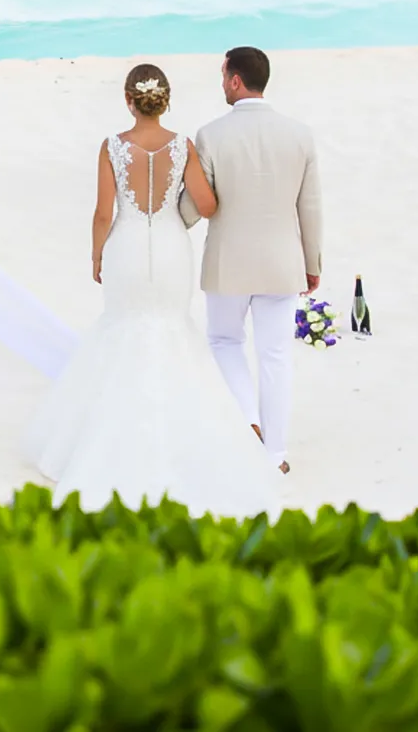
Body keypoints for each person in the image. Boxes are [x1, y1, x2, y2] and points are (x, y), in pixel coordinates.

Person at [29, 64, 279, 517]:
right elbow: (206, 204)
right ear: (164, 102)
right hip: (169, 250)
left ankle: (108, 442)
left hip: (126, 248)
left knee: (124, 330)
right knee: (171, 331)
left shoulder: (111, 148)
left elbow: (103, 213)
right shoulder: (182, 146)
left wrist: (96, 255)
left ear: (129, 100)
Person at [179, 46, 323, 475]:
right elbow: (310, 207)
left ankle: (249, 422)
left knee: (225, 342)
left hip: (229, 263)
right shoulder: (300, 135)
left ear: (237, 80)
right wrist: (311, 263)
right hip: (283, 263)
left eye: (224, 76)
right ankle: (275, 453)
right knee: (276, 356)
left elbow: (193, 208)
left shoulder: (210, 135)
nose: (222, 83)